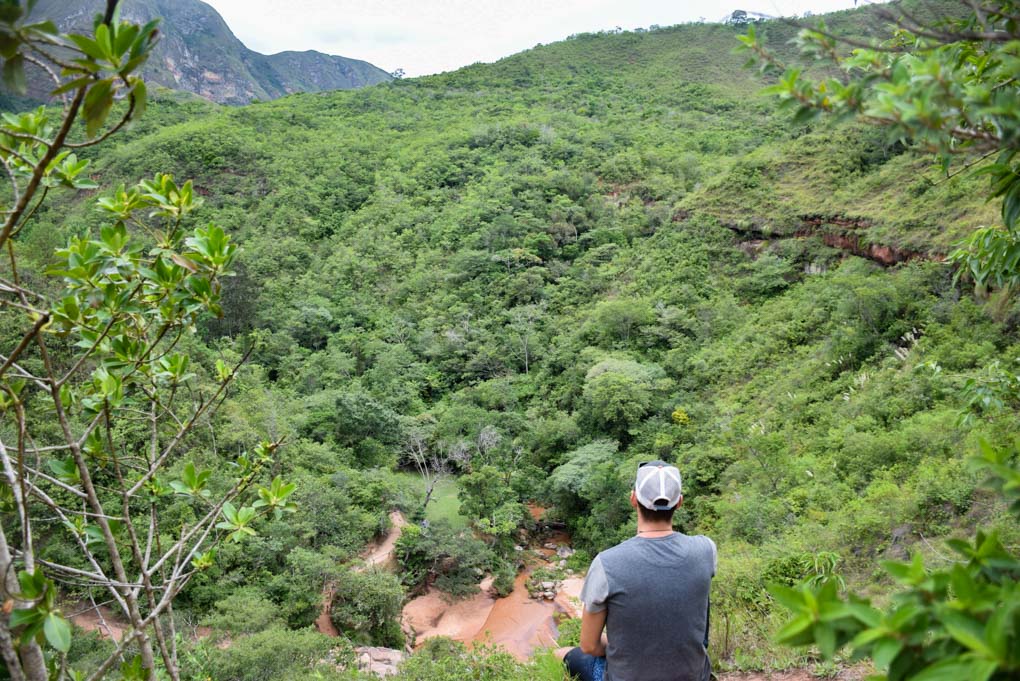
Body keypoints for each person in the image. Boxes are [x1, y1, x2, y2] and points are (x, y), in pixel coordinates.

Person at [556, 460, 717, 681]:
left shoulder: (606, 563)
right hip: (695, 675)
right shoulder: (706, 550)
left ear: (633, 499)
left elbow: (589, 645)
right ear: (679, 502)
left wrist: (623, 646)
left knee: (563, 654)